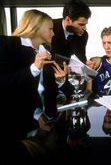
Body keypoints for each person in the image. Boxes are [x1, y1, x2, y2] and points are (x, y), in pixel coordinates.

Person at [0, 9, 68, 162]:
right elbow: (4, 85)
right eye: (50, 29)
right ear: (36, 27)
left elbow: (46, 88)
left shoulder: (46, 50)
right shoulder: (6, 44)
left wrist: (59, 81)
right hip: (16, 125)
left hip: (46, 118)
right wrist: (34, 68)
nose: (54, 33)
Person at [51, 0, 92, 99]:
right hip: (50, 83)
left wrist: (85, 65)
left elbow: (80, 58)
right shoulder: (50, 27)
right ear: (68, 20)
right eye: (81, 24)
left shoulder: (83, 35)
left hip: (71, 85)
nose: (85, 28)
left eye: (86, 24)